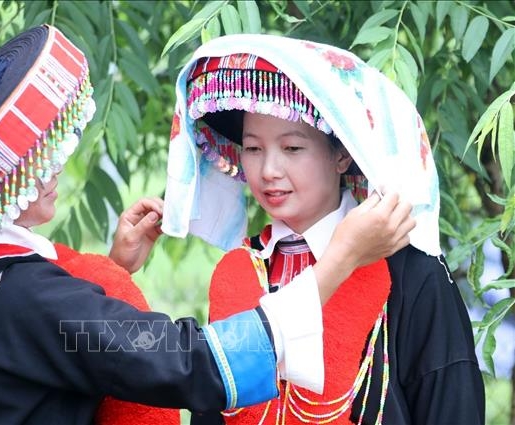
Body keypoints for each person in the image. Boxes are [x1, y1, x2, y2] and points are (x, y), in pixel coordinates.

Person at [0, 26, 414, 425]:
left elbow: (62, 339)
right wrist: (339, 258)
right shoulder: (31, 298)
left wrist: (115, 269)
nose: (53, 166)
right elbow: (188, 361)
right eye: (34, 157)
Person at [160, 34, 485, 424]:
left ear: (343, 154)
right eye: (253, 148)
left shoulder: (413, 272)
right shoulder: (242, 270)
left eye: (292, 148)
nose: (268, 171)